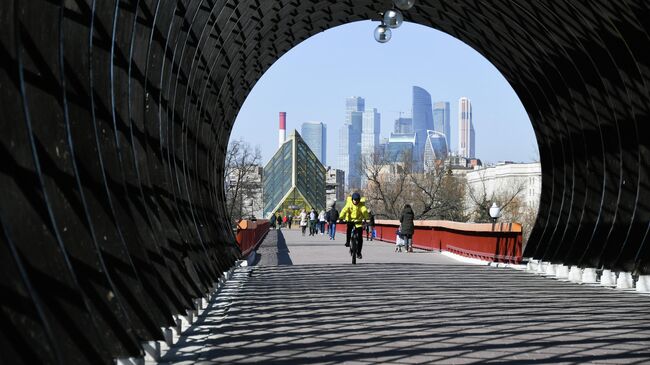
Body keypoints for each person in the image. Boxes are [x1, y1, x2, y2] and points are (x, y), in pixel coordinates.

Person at [339, 192, 369, 259]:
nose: (356, 201)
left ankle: (359, 253)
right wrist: (341, 218)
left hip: (358, 221)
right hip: (350, 220)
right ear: (352, 199)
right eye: (354, 200)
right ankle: (347, 241)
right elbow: (344, 210)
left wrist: (367, 219)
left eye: (357, 200)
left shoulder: (361, 205)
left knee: (360, 238)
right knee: (349, 229)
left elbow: (364, 211)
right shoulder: (349, 204)